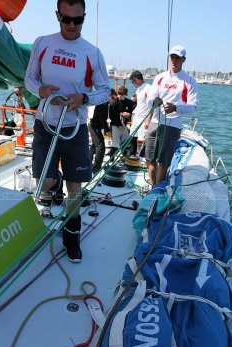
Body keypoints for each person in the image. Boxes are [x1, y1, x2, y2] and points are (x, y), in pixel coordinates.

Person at [24, 0, 110, 262]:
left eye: (78, 20)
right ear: (57, 16)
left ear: (84, 17)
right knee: (45, 183)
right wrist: (40, 91)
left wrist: (83, 99)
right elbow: (29, 78)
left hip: (74, 127)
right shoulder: (42, 43)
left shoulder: (92, 53)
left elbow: (104, 90)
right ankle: (55, 181)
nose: (72, 25)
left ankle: (72, 235)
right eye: (66, 19)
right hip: (45, 124)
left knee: (76, 188)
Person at [145, 45, 199, 185]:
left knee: (163, 162)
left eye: (178, 57)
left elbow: (194, 106)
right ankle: (153, 186)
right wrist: (154, 101)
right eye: (172, 57)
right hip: (155, 122)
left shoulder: (189, 81)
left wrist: (176, 108)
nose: (174, 60)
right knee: (149, 158)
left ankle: (156, 191)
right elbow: (150, 98)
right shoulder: (160, 77)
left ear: (183, 59)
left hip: (172, 125)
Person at [129, 70, 157, 155]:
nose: (133, 83)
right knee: (132, 136)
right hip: (137, 116)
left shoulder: (148, 88)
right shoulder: (139, 89)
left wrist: (148, 120)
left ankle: (143, 158)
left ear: (137, 79)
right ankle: (132, 156)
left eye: (133, 81)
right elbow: (136, 97)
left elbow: (152, 105)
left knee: (142, 139)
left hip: (144, 118)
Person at [89, 89, 116, 174]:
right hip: (94, 127)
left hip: (94, 126)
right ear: (109, 97)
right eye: (113, 98)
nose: (114, 100)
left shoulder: (105, 104)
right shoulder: (103, 104)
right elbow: (102, 119)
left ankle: (88, 163)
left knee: (94, 146)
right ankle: (96, 168)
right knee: (101, 147)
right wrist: (107, 131)